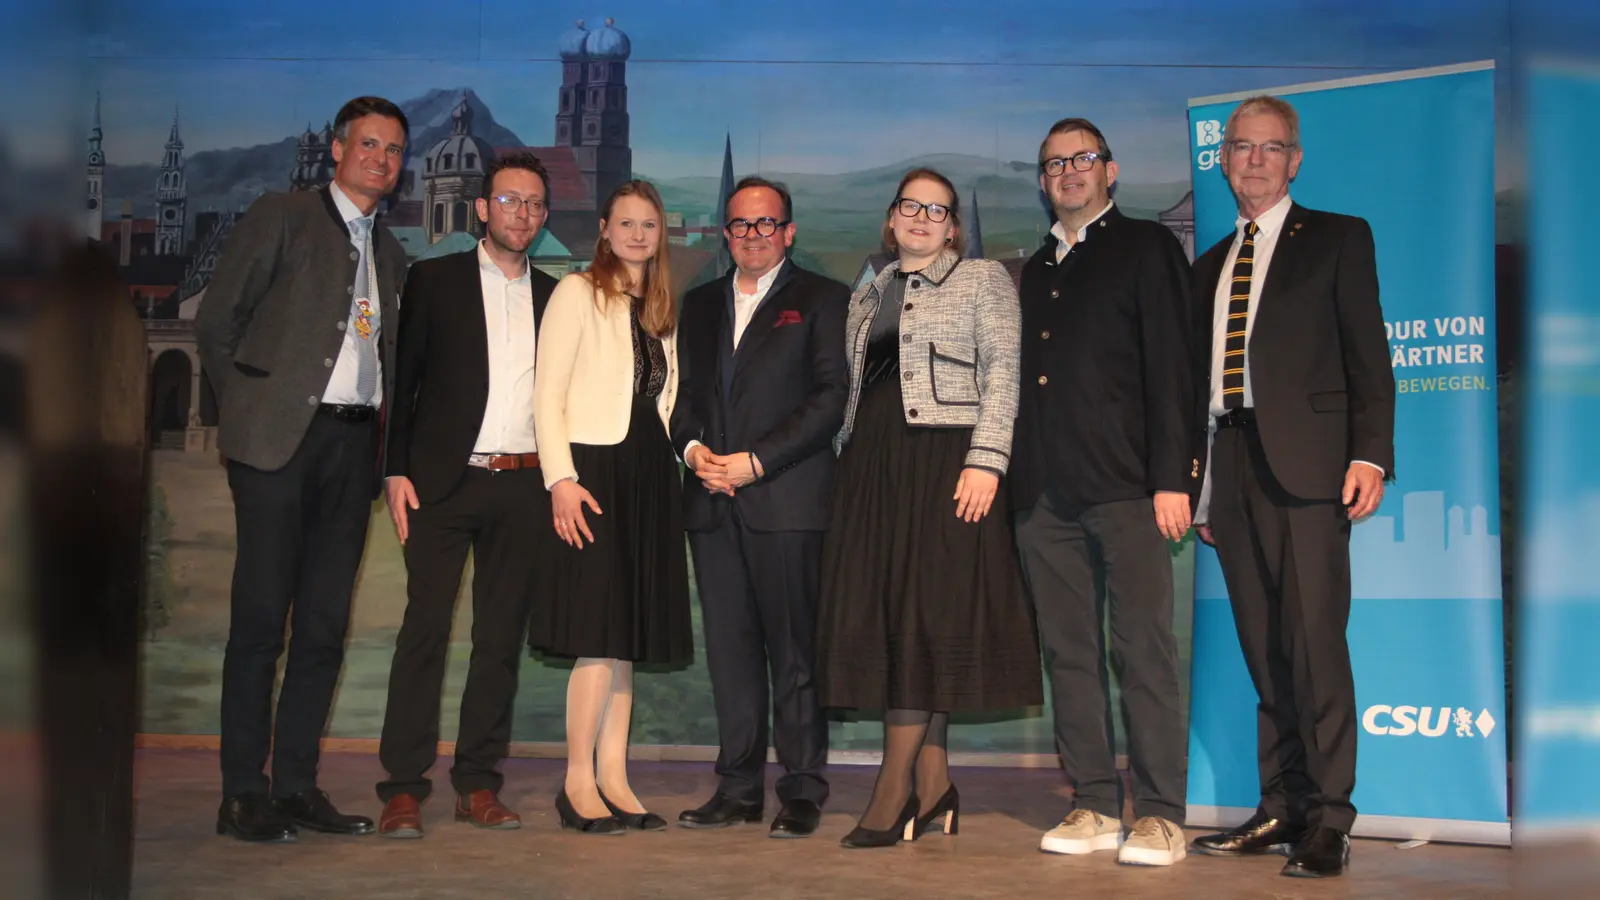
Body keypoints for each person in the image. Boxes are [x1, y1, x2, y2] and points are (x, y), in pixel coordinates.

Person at [1188, 95, 1394, 878]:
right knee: (1263, 649)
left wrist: (1369, 453)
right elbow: (1194, 386)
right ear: (1225, 158)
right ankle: (1281, 805)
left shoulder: (1338, 239)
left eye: (1271, 147)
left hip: (1309, 470)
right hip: (1231, 468)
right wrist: (1201, 486)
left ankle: (1331, 819)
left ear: (1295, 159)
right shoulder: (1208, 265)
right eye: (1241, 147)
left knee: (1314, 644)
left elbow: (1367, 354)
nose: (1255, 160)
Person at [196, 96, 409, 843]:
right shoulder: (280, 216)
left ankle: (294, 788)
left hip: (353, 451)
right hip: (276, 452)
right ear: (338, 151)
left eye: (392, 150)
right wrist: (251, 418)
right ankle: (241, 794)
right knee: (260, 625)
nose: (380, 159)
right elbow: (216, 324)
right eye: (369, 144)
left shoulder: (392, 255)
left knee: (323, 628)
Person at [815, 167, 1043, 849]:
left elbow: (1003, 371)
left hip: (945, 464)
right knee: (897, 617)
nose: (921, 218)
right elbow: (855, 391)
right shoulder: (869, 292)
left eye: (936, 210)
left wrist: (987, 460)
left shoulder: (982, 281)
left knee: (924, 617)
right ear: (891, 218)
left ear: (952, 226)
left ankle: (892, 791)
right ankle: (936, 781)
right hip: (872, 470)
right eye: (910, 207)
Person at [1011, 118, 1195, 866]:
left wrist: (1173, 478)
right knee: (1070, 652)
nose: (1069, 171)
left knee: (1141, 649)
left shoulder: (1148, 249)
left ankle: (1160, 814)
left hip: (1129, 488)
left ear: (1110, 172)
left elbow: (1176, 373)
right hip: (1044, 496)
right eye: (1054, 163)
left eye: (1082, 158)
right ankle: (1092, 802)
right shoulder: (1037, 267)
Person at [373, 153, 559, 838]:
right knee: (423, 632)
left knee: (499, 640)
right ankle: (401, 787)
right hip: (442, 485)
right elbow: (405, 378)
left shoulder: (554, 295)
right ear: (483, 208)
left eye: (536, 204)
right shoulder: (434, 280)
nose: (524, 214)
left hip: (524, 487)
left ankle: (478, 783)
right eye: (511, 200)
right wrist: (394, 469)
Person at [671, 177, 849, 838]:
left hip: (787, 501)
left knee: (796, 654)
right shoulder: (698, 305)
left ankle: (802, 789)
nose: (754, 235)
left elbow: (830, 399)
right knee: (731, 654)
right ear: (726, 232)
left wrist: (755, 462)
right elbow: (682, 397)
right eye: (742, 225)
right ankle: (739, 787)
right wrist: (693, 453)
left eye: (766, 224)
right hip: (711, 503)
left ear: (789, 232)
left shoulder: (824, 299)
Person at [529, 179, 691, 835]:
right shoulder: (575, 292)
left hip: (650, 470)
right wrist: (559, 480)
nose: (636, 234)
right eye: (625, 223)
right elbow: (547, 394)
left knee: (625, 637)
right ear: (603, 228)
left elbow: (667, 398)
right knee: (597, 633)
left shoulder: (658, 305)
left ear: (660, 234)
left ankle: (616, 778)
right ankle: (576, 782)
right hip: (591, 469)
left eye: (648, 224)